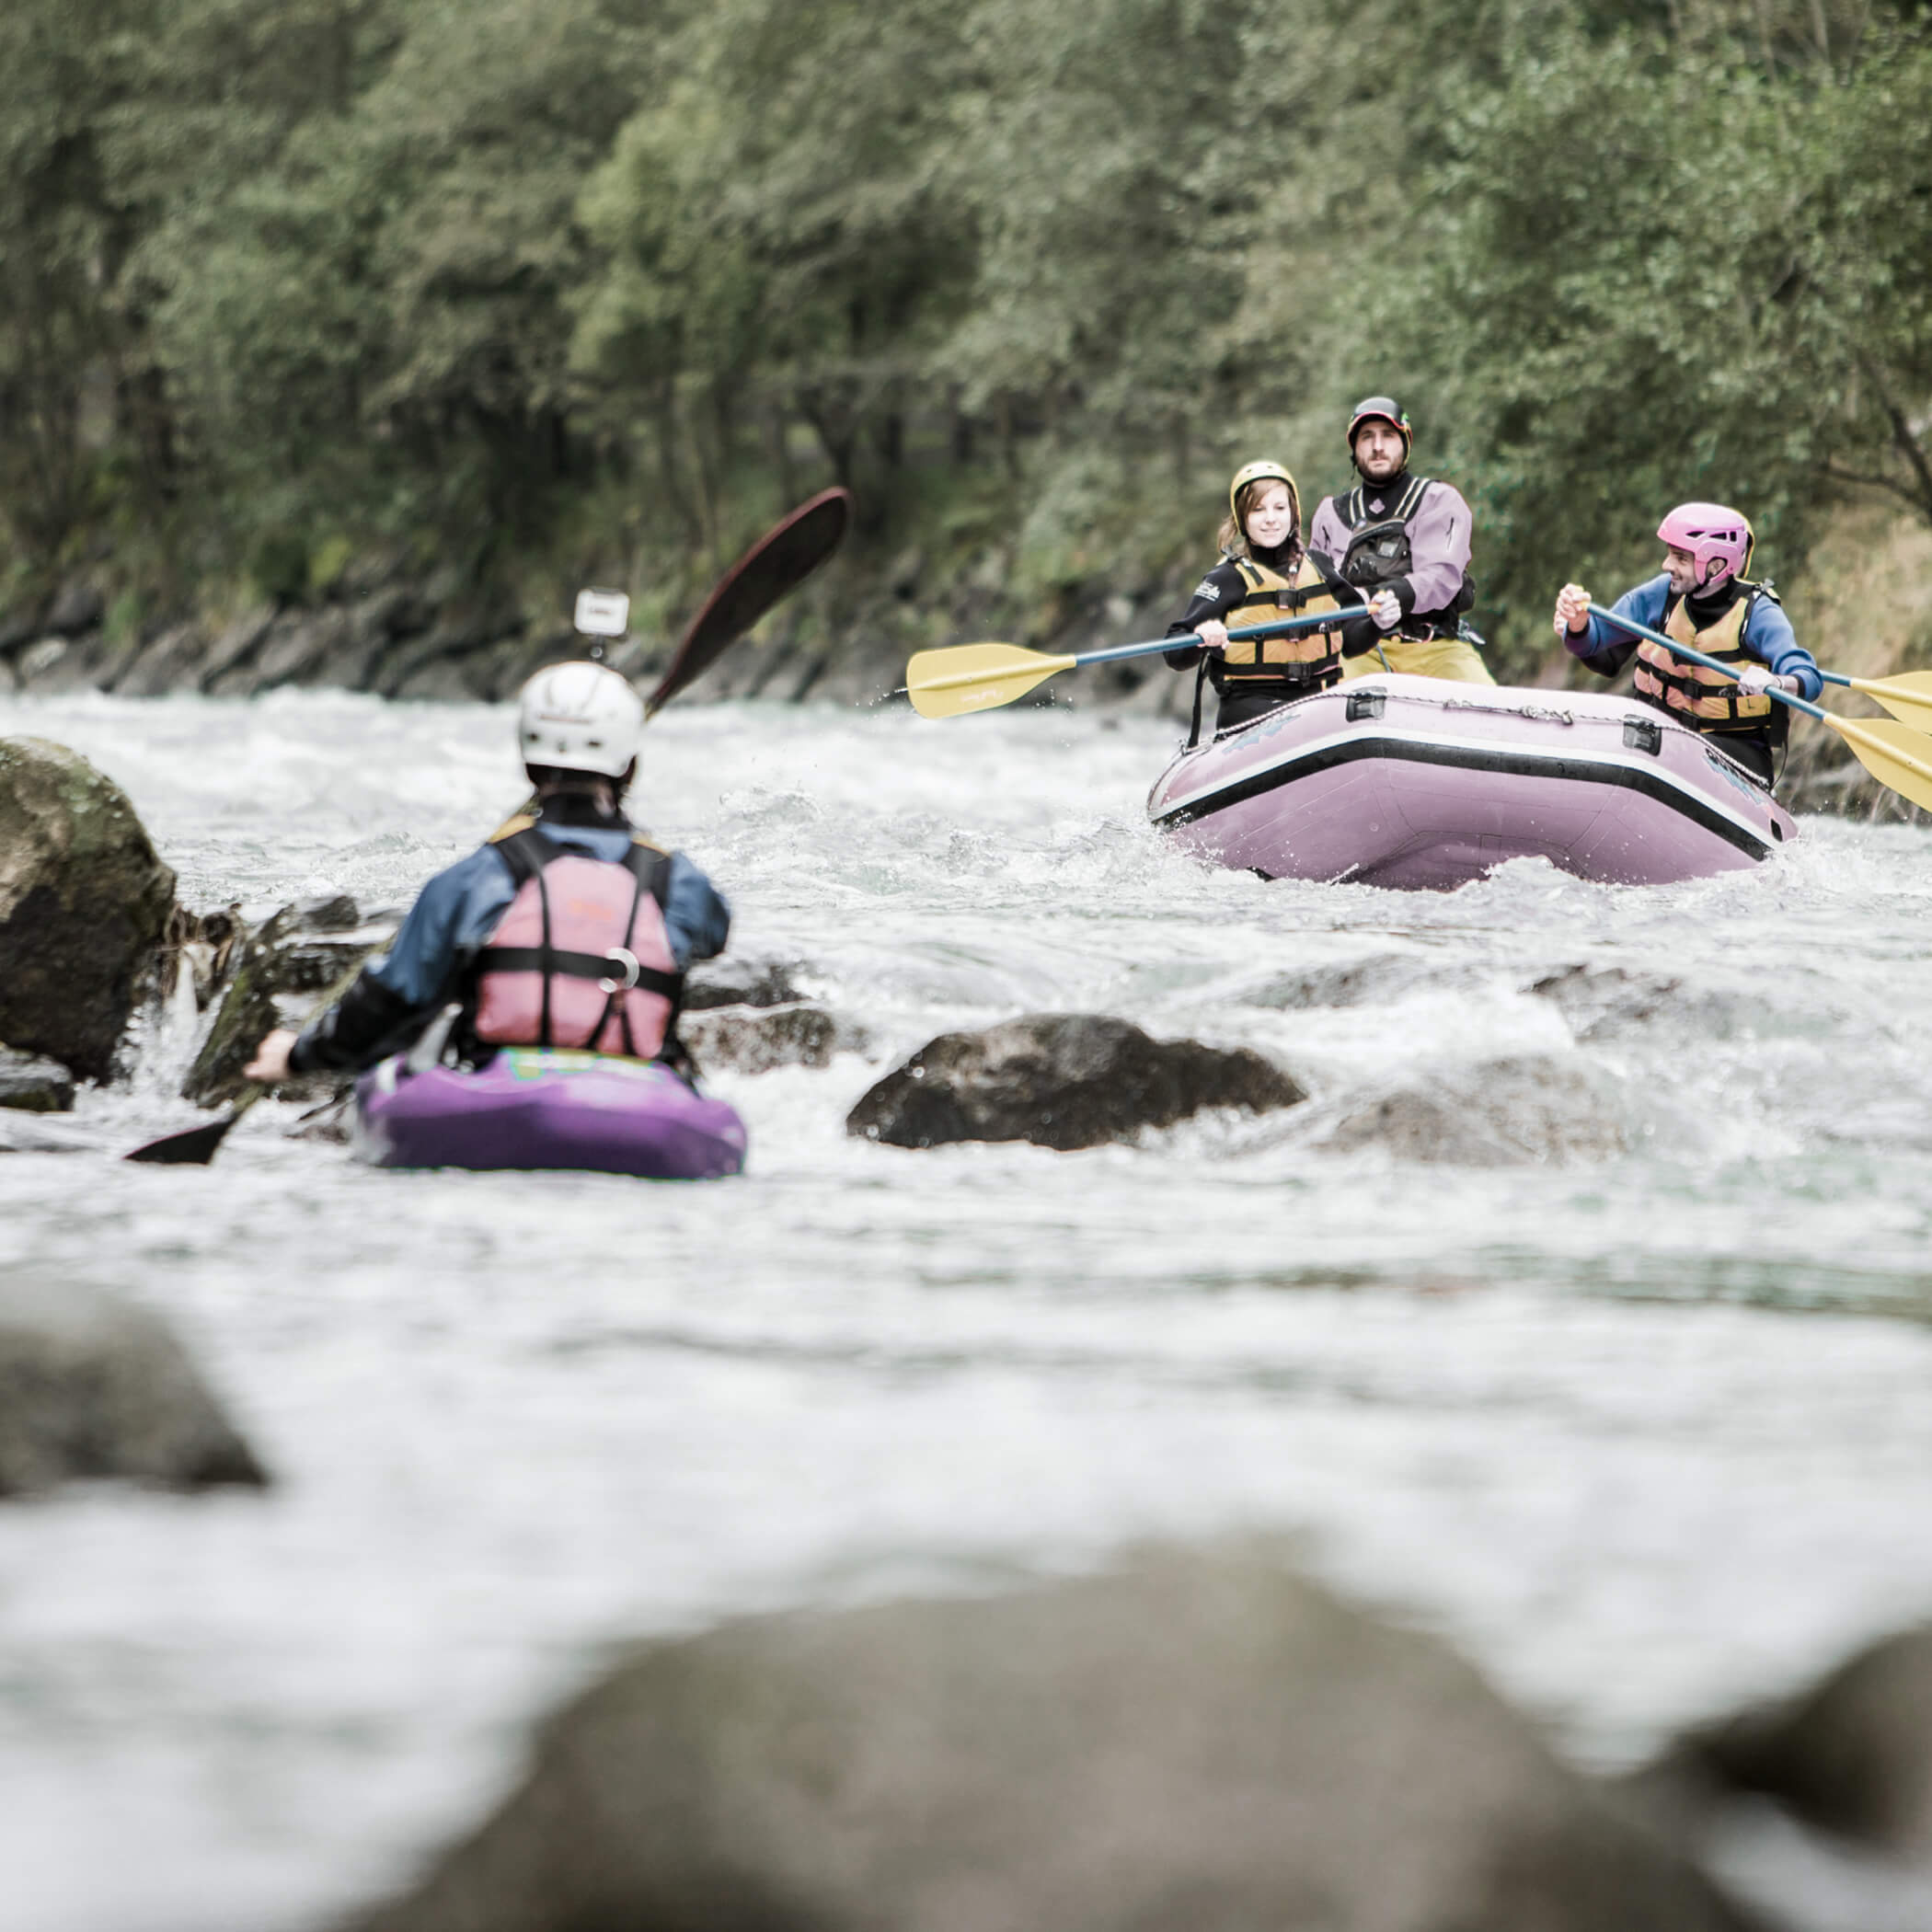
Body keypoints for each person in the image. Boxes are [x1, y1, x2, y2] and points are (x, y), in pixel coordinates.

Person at [243, 661, 730, 1086]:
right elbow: (713, 933)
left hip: (496, 1090)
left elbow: (392, 999)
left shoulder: (474, 878)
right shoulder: (676, 882)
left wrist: (297, 1056)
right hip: (640, 1097)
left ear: (528, 765)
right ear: (631, 768)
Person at [1553, 502, 1821, 786]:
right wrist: (1578, 623)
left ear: (1716, 565)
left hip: (1736, 752)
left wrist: (1776, 682)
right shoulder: (1663, 593)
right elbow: (1598, 647)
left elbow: (1809, 678)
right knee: (1654, 745)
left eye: (1680, 559)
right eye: (1670, 555)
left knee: (1678, 752)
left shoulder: (1758, 614)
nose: (1667, 565)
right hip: (1663, 734)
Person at [1164, 459, 1367, 735]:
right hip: (1250, 709)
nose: (1270, 518)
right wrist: (1202, 636)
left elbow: (1354, 638)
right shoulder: (1227, 579)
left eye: (1279, 508)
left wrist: (1378, 620)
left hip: (1320, 699)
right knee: (1297, 727)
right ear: (1242, 518)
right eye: (1258, 510)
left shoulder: (1320, 567)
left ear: (1293, 513)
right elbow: (1175, 652)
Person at [1307, 396, 1492, 686]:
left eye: (1388, 436)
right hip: (1361, 652)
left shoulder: (1439, 501)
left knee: (1490, 710)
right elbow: (1318, 593)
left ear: (1405, 442)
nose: (1377, 446)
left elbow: (1442, 577)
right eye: (1367, 437)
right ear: (1354, 449)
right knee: (1323, 696)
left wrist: (1389, 593)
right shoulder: (1330, 514)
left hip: (1435, 647)